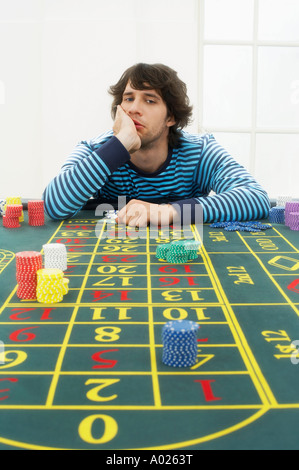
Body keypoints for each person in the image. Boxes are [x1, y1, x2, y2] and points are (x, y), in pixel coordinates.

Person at [43, 63, 270, 227]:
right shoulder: (97, 150)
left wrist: (166, 211)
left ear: (170, 117)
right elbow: (54, 205)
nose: (133, 109)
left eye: (149, 100)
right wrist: (120, 145)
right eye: (129, 98)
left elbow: (255, 197)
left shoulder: (200, 151)